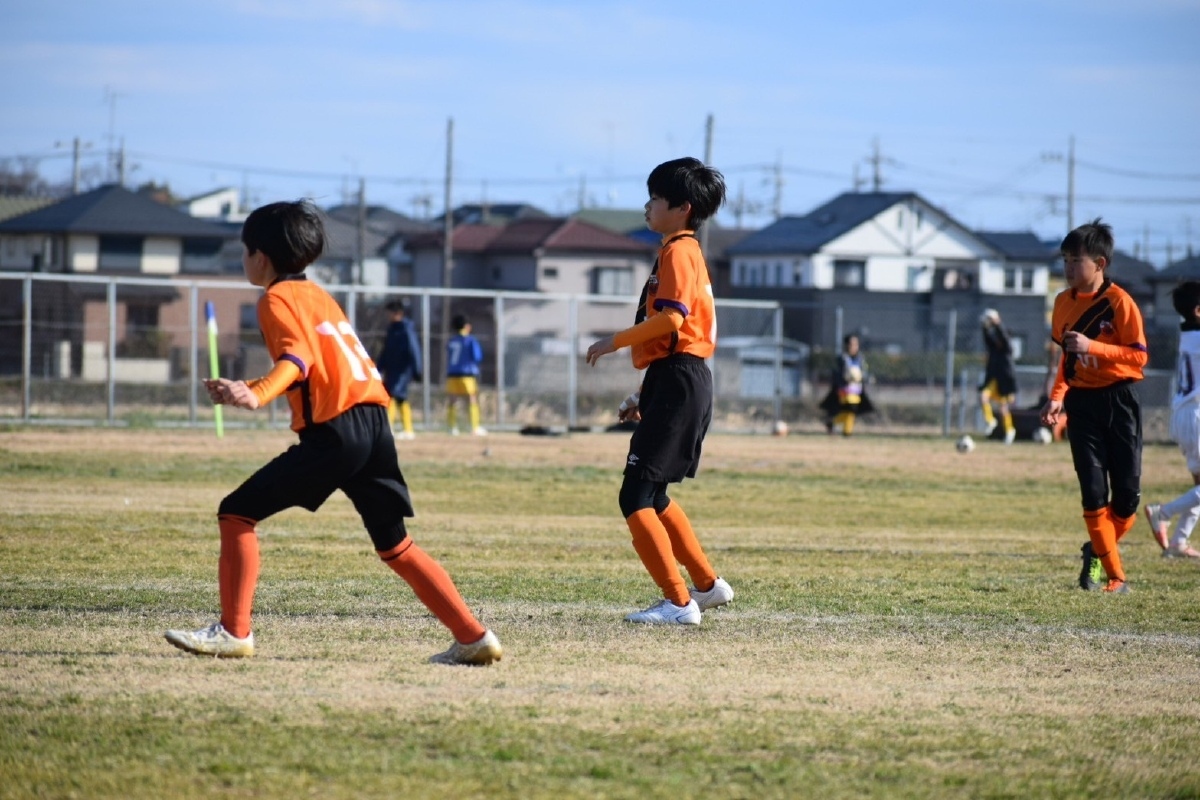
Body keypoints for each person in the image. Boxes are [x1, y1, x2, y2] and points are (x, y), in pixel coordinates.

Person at [164, 200, 501, 665]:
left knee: (237, 512)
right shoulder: (319, 295)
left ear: (260, 257)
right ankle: (473, 636)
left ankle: (234, 632)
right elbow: (317, 362)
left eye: (244, 251)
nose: (244, 260)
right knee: (395, 545)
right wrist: (257, 387)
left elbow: (297, 359)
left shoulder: (276, 299)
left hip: (337, 431)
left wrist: (257, 393)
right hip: (374, 423)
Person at [584, 156, 734, 626]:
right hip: (678, 379)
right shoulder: (681, 250)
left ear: (682, 207)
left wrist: (613, 341)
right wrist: (643, 395)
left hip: (680, 381)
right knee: (655, 495)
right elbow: (676, 339)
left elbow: (672, 320)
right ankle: (706, 586)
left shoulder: (679, 252)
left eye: (655, 198)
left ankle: (678, 602)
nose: (647, 206)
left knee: (635, 496)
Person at [1039, 218, 1148, 594]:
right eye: (1065, 260)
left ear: (1100, 263)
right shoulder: (1062, 303)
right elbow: (1066, 360)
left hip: (1120, 401)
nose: (1068, 268)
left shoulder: (1119, 302)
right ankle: (1116, 577)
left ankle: (1098, 550)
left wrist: (1094, 347)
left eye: (1076, 261)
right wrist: (1057, 396)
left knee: (1127, 500)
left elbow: (1139, 357)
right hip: (1082, 403)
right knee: (1093, 492)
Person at [1143, 280, 1200, 559]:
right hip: (1195, 415)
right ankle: (1163, 512)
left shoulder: (1189, 334)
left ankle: (1178, 543)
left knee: (1199, 486)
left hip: (1184, 415)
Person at [377, 299, 423, 440]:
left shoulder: (406, 328)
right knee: (400, 398)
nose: (388, 316)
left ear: (398, 313)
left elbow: (414, 349)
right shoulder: (392, 329)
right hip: (391, 369)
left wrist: (417, 369)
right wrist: (379, 368)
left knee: (393, 395)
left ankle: (389, 429)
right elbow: (386, 350)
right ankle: (407, 429)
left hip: (403, 370)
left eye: (390, 313)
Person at [820, 333, 874, 436]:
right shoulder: (843, 358)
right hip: (844, 390)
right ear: (846, 345)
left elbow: (864, 372)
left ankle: (838, 427)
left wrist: (863, 377)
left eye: (856, 344)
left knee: (849, 411)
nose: (854, 347)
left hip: (856, 390)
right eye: (851, 344)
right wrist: (847, 377)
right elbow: (839, 374)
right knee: (851, 409)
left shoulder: (860, 359)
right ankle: (845, 430)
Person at [979, 309, 1018, 444]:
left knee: (1003, 408)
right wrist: (985, 327)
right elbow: (987, 339)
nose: (998, 340)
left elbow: (1004, 338)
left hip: (1005, 381)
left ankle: (1010, 430)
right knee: (983, 396)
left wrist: (997, 323)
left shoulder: (1007, 350)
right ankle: (990, 421)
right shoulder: (994, 349)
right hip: (993, 380)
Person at [446, 313, 486, 436]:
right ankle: (474, 427)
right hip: (467, 374)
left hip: (452, 374)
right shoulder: (470, 340)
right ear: (466, 326)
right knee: (472, 399)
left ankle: (452, 427)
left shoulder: (452, 340)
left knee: (452, 400)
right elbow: (477, 356)